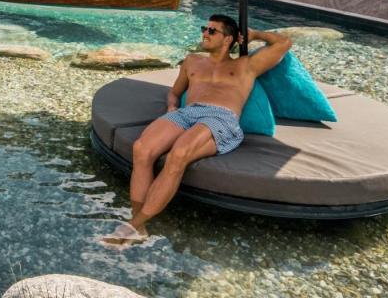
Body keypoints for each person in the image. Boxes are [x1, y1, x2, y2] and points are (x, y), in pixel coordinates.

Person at [101, 13, 292, 247]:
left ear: (228, 39)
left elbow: (284, 43)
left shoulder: (246, 65)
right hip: (186, 113)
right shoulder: (192, 61)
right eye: (205, 28)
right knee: (142, 149)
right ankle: (138, 225)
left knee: (179, 154)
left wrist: (255, 35)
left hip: (220, 117)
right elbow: (174, 93)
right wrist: (172, 108)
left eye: (212, 30)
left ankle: (132, 226)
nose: (205, 33)